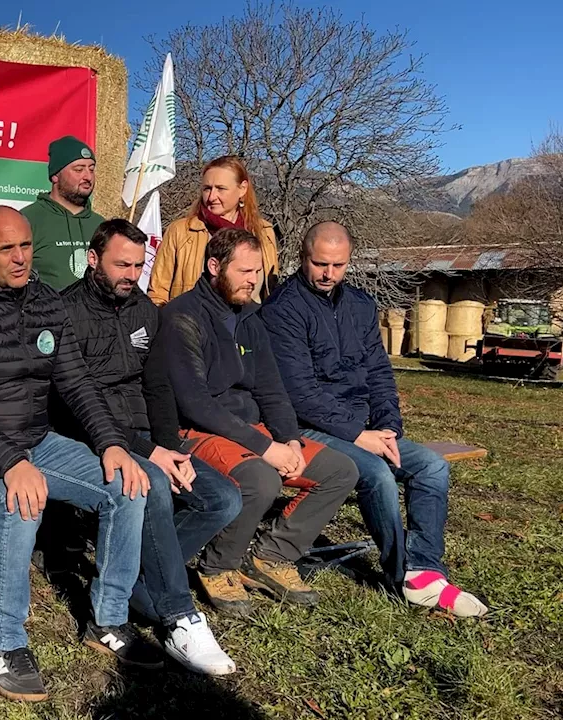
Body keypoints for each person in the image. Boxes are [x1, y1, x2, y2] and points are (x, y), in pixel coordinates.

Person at [0, 206, 157, 703]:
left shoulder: (47, 302)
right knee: (20, 500)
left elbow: (77, 383)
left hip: (36, 438)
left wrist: (111, 442)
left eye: (26, 245)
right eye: (6, 249)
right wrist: (11, 463)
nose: (20, 257)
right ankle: (6, 642)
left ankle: (108, 619)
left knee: (127, 486)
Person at [261, 222, 488, 617]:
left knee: (432, 468)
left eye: (339, 265)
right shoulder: (283, 310)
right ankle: (403, 576)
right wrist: (357, 435)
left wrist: (387, 426)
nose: (329, 273)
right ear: (302, 258)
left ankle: (425, 572)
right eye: (320, 264)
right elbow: (299, 394)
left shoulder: (361, 305)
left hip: (366, 426)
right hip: (309, 428)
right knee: (377, 476)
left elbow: (379, 373)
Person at [57, 219, 240, 675]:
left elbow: (157, 387)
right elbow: (74, 401)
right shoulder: (64, 312)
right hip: (93, 436)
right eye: (122, 264)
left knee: (222, 498)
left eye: (139, 265)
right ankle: (180, 616)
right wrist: (146, 450)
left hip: (148, 437)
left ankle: (144, 586)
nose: (131, 274)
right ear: (92, 259)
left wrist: (168, 445)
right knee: (154, 485)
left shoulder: (144, 310)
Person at [158, 227, 359, 618]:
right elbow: (195, 402)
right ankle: (218, 566)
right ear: (214, 267)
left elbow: (272, 388)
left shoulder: (252, 316)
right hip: (198, 432)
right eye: (244, 271)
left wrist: (290, 441)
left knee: (339, 469)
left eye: (258, 272)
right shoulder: (182, 317)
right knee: (261, 479)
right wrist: (266, 448)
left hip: (252, 429)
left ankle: (273, 556)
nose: (253, 280)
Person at [148, 155, 279, 306]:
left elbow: (269, 292)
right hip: (193, 324)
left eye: (221, 189)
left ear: (242, 189)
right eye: (207, 189)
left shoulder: (264, 232)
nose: (212, 197)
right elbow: (158, 292)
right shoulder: (181, 231)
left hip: (247, 325)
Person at [20, 136, 105, 290]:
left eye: (91, 169)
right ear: (55, 176)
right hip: (46, 311)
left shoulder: (101, 225)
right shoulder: (27, 220)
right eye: (79, 169)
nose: (88, 176)